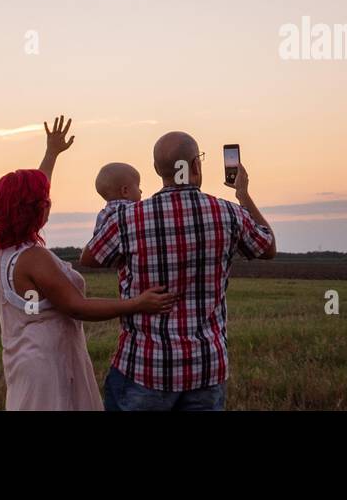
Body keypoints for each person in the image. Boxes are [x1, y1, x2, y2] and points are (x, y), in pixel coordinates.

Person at [0, 116, 177, 410]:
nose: (48, 202)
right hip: (48, 364)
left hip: (25, 358)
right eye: (43, 202)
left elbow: (34, 192)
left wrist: (51, 154)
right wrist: (138, 303)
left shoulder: (3, 251)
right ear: (33, 210)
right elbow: (77, 306)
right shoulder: (33, 258)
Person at [80, 131, 276, 410]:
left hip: (143, 367)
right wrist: (243, 194)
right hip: (205, 369)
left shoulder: (127, 219)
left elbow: (90, 258)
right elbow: (267, 247)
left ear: (158, 171)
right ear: (195, 166)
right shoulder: (229, 213)